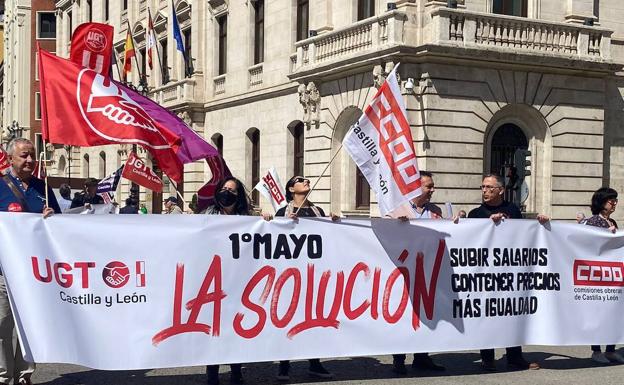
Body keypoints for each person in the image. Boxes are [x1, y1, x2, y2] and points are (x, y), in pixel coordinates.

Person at [467, 174, 544, 371]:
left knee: (511, 313)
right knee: (487, 314)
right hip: (485, 274)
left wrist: (541, 224)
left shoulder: (513, 210)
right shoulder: (476, 213)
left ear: (501, 190)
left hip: (509, 273)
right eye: (483, 187)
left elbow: (524, 235)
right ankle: (487, 357)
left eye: (490, 187)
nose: (485, 191)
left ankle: (515, 356)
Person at [0, 138, 61, 385]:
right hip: (4, 270)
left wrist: (51, 217)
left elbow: (60, 224)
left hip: (34, 272)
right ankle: (3, 376)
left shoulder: (42, 187)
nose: (29, 160)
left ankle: (25, 374)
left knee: (31, 325)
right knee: (2, 327)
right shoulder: (1, 186)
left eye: (32, 155)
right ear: (11, 158)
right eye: (24, 155)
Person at [274, 175, 335, 381]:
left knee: (312, 319)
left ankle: (315, 363)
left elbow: (327, 238)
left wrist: (335, 223)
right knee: (287, 318)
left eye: (307, 180)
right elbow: (274, 239)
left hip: (314, 274)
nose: (306, 182)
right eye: (301, 180)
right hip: (289, 274)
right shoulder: (283, 211)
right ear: (291, 188)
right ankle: (284, 365)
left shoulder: (318, 211)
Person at [393, 171, 445, 374]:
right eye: (428, 186)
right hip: (403, 272)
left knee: (426, 315)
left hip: (429, 270)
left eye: (432, 186)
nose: (433, 190)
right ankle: (399, 358)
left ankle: (422, 357)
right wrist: (397, 225)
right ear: (416, 187)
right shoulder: (397, 209)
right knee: (403, 316)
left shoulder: (435, 211)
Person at [204, 177, 251, 385]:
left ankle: (236, 370)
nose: (227, 192)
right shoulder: (207, 215)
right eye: (224, 188)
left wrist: (267, 221)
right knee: (214, 329)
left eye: (231, 190)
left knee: (235, 328)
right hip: (212, 281)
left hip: (238, 282)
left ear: (238, 195)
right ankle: (212, 372)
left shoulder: (247, 219)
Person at [584, 187, 624, 364]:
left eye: (615, 200)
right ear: (601, 202)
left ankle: (610, 349)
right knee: (598, 313)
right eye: (611, 200)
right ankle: (596, 350)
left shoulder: (612, 221)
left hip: (612, 275)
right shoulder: (594, 221)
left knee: (612, 312)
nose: (614, 203)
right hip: (597, 275)